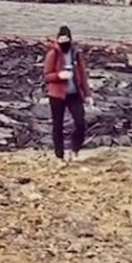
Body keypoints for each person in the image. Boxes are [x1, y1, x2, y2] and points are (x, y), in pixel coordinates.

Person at [43, 25, 93, 162]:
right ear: (58, 39)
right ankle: (59, 155)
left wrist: (87, 94)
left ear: (70, 39)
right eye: (61, 39)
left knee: (80, 122)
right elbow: (47, 76)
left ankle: (75, 149)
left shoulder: (75, 53)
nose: (63, 42)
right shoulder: (53, 54)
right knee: (57, 125)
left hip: (74, 93)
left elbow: (82, 75)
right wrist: (60, 75)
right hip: (57, 95)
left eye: (66, 39)